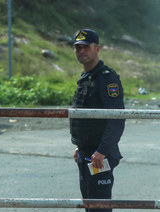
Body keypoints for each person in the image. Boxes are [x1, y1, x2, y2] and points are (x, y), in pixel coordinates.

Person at [70, 29, 125, 212]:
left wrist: (101, 151)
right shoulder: (87, 78)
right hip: (87, 153)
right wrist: (80, 145)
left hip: (100, 157)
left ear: (97, 48)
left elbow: (116, 119)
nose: (81, 51)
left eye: (86, 47)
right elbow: (87, 117)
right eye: (78, 47)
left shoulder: (106, 78)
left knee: (100, 207)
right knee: (90, 205)